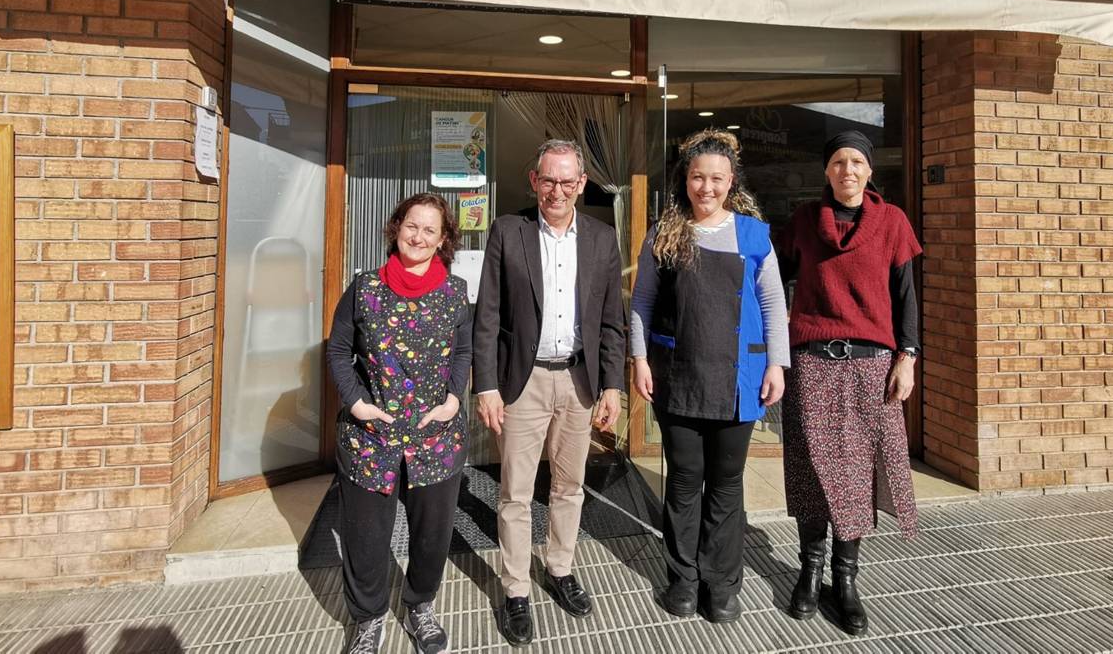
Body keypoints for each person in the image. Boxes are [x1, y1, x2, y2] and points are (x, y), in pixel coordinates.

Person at [630, 129, 790, 624]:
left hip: (740, 378)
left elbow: (773, 303)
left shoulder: (753, 234)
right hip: (678, 375)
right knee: (683, 482)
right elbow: (642, 302)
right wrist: (638, 358)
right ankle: (683, 578)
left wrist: (777, 363)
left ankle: (721, 583)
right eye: (698, 177)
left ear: (731, 181)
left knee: (726, 484)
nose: (707, 187)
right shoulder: (665, 232)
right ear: (685, 180)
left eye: (717, 178)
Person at [473, 139, 626, 646]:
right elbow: (487, 315)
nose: (557, 190)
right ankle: (516, 588)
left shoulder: (603, 239)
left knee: (569, 486)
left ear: (582, 184)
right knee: (515, 491)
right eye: (549, 180)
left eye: (568, 181)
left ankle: (560, 568)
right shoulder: (508, 230)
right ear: (534, 180)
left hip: (580, 381)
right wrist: (487, 385)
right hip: (524, 379)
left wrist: (612, 386)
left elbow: (611, 323)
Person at [776, 130, 922, 636]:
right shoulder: (802, 222)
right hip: (813, 359)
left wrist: (908, 357)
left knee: (857, 472)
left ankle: (847, 578)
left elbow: (906, 297)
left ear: (870, 171)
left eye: (856, 161)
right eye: (838, 161)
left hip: (871, 364)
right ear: (826, 171)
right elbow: (771, 284)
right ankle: (810, 572)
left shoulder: (892, 222)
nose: (848, 170)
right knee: (812, 466)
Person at [327, 193, 472, 654]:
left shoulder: (456, 293)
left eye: (431, 230)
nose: (419, 236)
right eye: (412, 226)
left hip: (435, 437)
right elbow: (338, 351)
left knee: (431, 537)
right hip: (373, 436)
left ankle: (419, 606)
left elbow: (464, 352)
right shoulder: (365, 288)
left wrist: (453, 398)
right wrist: (355, 404)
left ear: (443, 239)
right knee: (366, 538)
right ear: (396, 228)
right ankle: (368, 619)